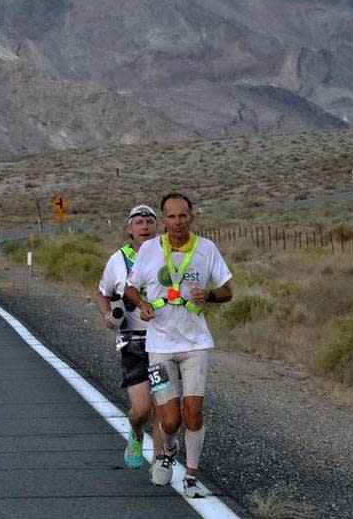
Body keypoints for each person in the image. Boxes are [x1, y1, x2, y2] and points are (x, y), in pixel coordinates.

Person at [124, 192, 233, 498]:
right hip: (159, 345)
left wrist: (208, 296)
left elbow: (227, 291)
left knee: (194, 412)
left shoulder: (206, 249)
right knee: (170, 419)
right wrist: (142, 304)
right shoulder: (149, 251)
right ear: (163, 221)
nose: (177, 221)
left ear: (191, 217)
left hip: (196, 344)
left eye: (182, 215)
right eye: (170, 216)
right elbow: (131, 288)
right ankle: (169, 450)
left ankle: (192, 476)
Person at [94, 204, 166, 469]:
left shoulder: (169, 256)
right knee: (142, 408)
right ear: (129, 229)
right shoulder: (119, 259)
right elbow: (102, 292)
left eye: (149, 221)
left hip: (165, 339)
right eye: (139, 222)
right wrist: (107, 316)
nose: (145, 226)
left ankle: (160, 463)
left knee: (163, 405)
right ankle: (136, 432)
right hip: (133, 340)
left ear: (157, 227)